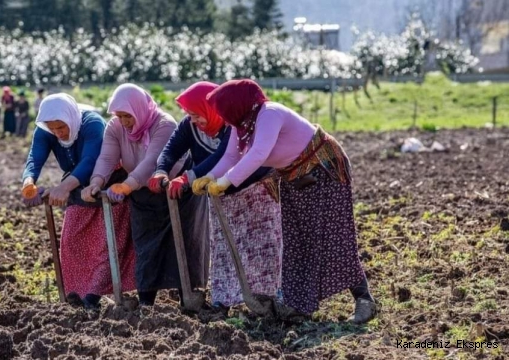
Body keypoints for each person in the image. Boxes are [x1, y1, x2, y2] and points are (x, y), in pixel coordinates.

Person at [192, 79, 376, 324]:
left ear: (236, 105)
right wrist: (210, 177)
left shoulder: (270, 114)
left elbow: (259, 153)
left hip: (323, 170)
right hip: (293, 177)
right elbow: (231, 155)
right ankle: (299, 307)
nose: (223, 118)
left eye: (224, 111)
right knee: (295, 239)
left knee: (333, 236)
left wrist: (227, 181)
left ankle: (364, 300)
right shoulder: (242, 124)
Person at [150, 81, 282, 309]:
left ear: (210, 109)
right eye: (190, 114)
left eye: (197, 114)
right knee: (223, 250)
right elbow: (171, 149)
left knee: (260, 246)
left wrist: (188, 177)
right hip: (219, 192)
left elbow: (222, 158)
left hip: (253, 191)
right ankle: (225, 299)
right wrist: (161, 170)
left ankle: (266, 298)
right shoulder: (189, 126)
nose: (194, 120)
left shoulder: (231, 124)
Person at [81, 83, 208, 306]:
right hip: (143, 194)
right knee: (146, 246)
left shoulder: (164, 124)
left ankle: (188, 298)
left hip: (176, 190)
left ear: (139, 109)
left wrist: (127, 185)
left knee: (185, 243)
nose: (123, 122)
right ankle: (147, 302)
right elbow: (107, 158)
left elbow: (154, 162)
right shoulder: (115, 127)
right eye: (119, 116)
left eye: (127, 116)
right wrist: (96, 181)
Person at [21, 93, 136, 309]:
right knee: (72, 239)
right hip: (76, 183)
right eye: (53, 129)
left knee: (107, 243)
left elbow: (90, 160)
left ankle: (93, 297)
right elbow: (34, 158)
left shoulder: (92, 124)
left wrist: (64, 187)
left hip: (107, 181)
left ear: (70, 119)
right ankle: (77, 295)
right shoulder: (46, 130)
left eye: (61, 127)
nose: (58, 133)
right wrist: (29, 182)